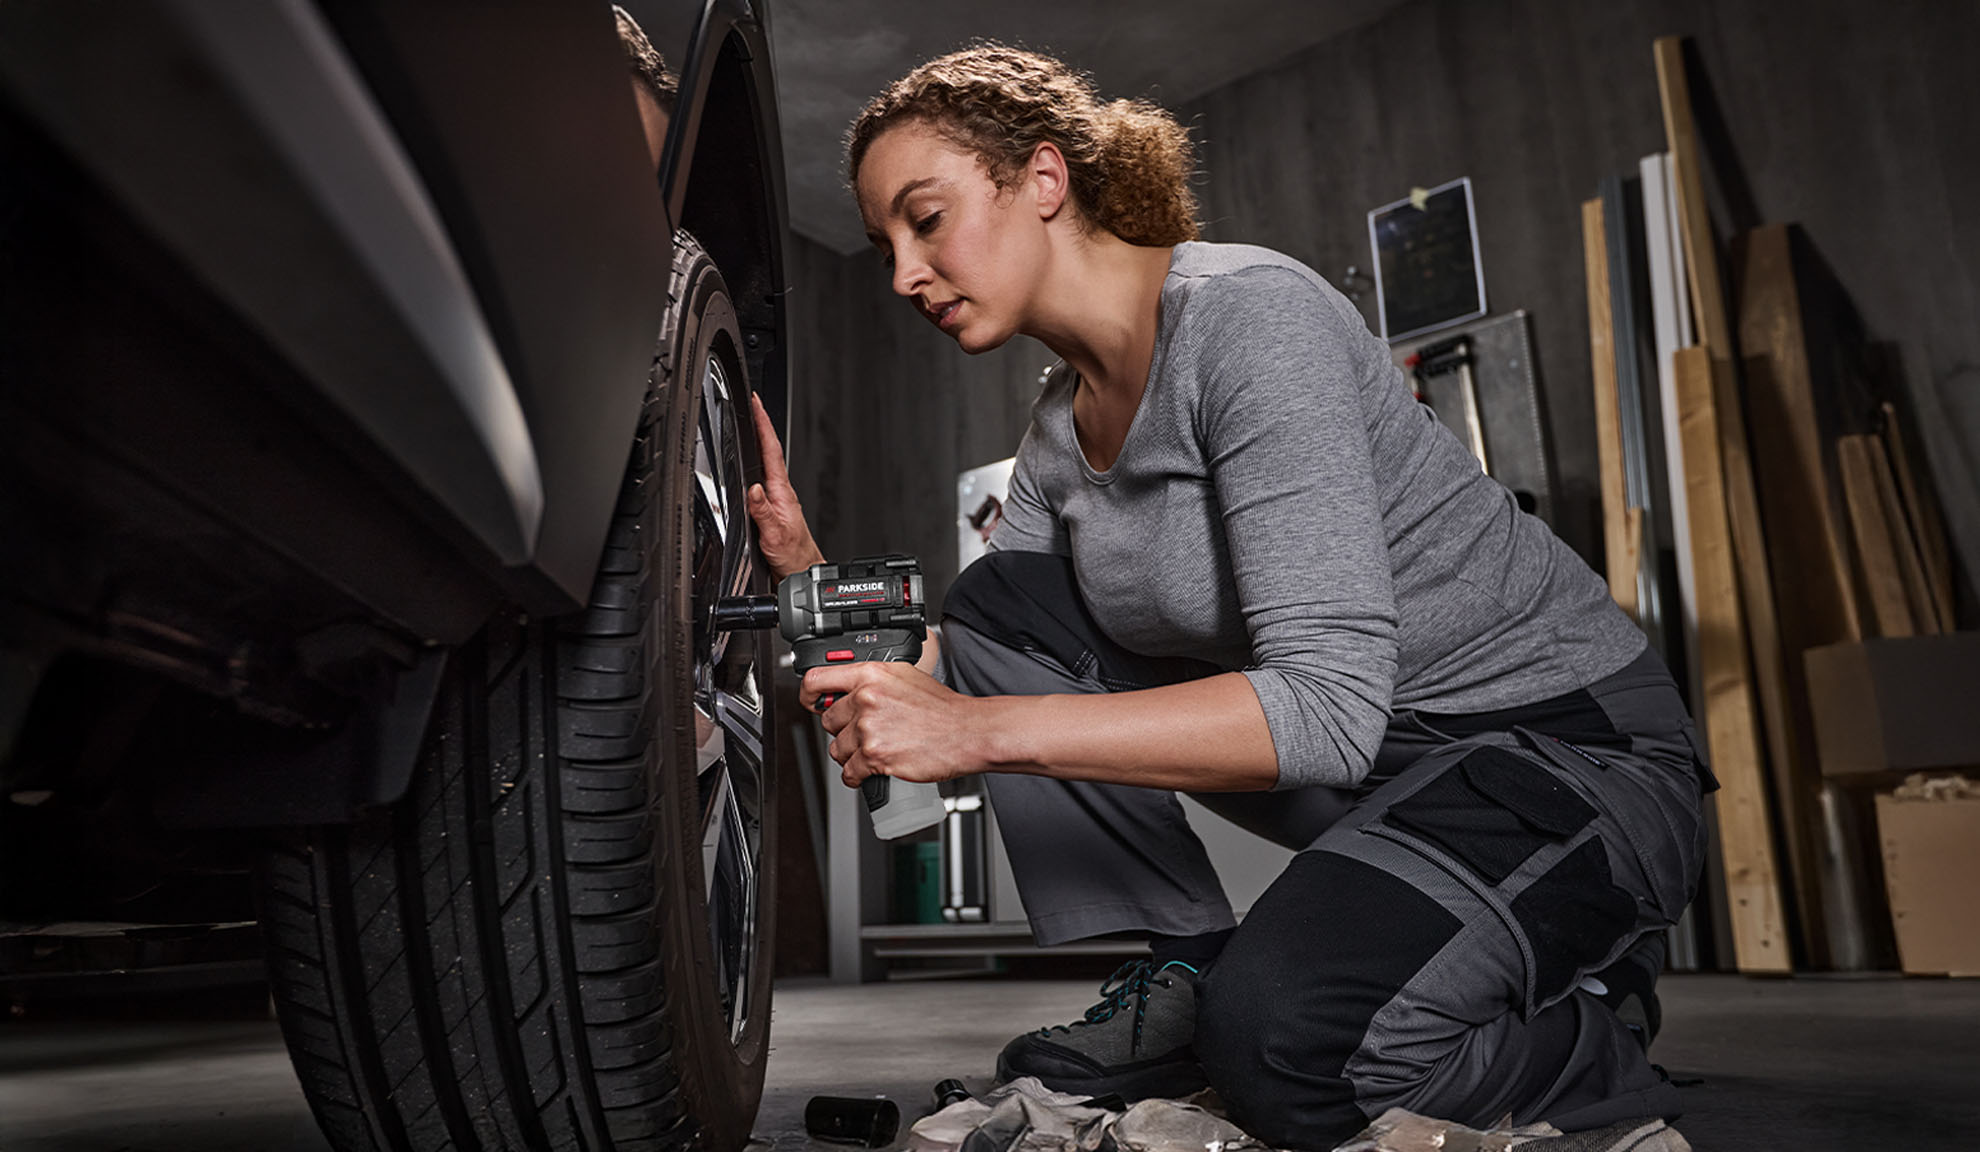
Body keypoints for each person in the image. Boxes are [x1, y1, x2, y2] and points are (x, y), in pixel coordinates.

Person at [743, 44, 1713, 1151]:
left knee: (1293, 1052)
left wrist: (973, 732)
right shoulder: (1057, 436)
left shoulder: (1251, 321)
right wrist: (806, 571)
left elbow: (1324, 711)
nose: (906, 273)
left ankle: (1592, 1028)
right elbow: (975, 654)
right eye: (883, 250)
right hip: (1397, 770)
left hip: (1571, 755)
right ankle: (1182, 969)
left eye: (927, 218)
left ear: (1044, 181)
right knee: (997, 611)